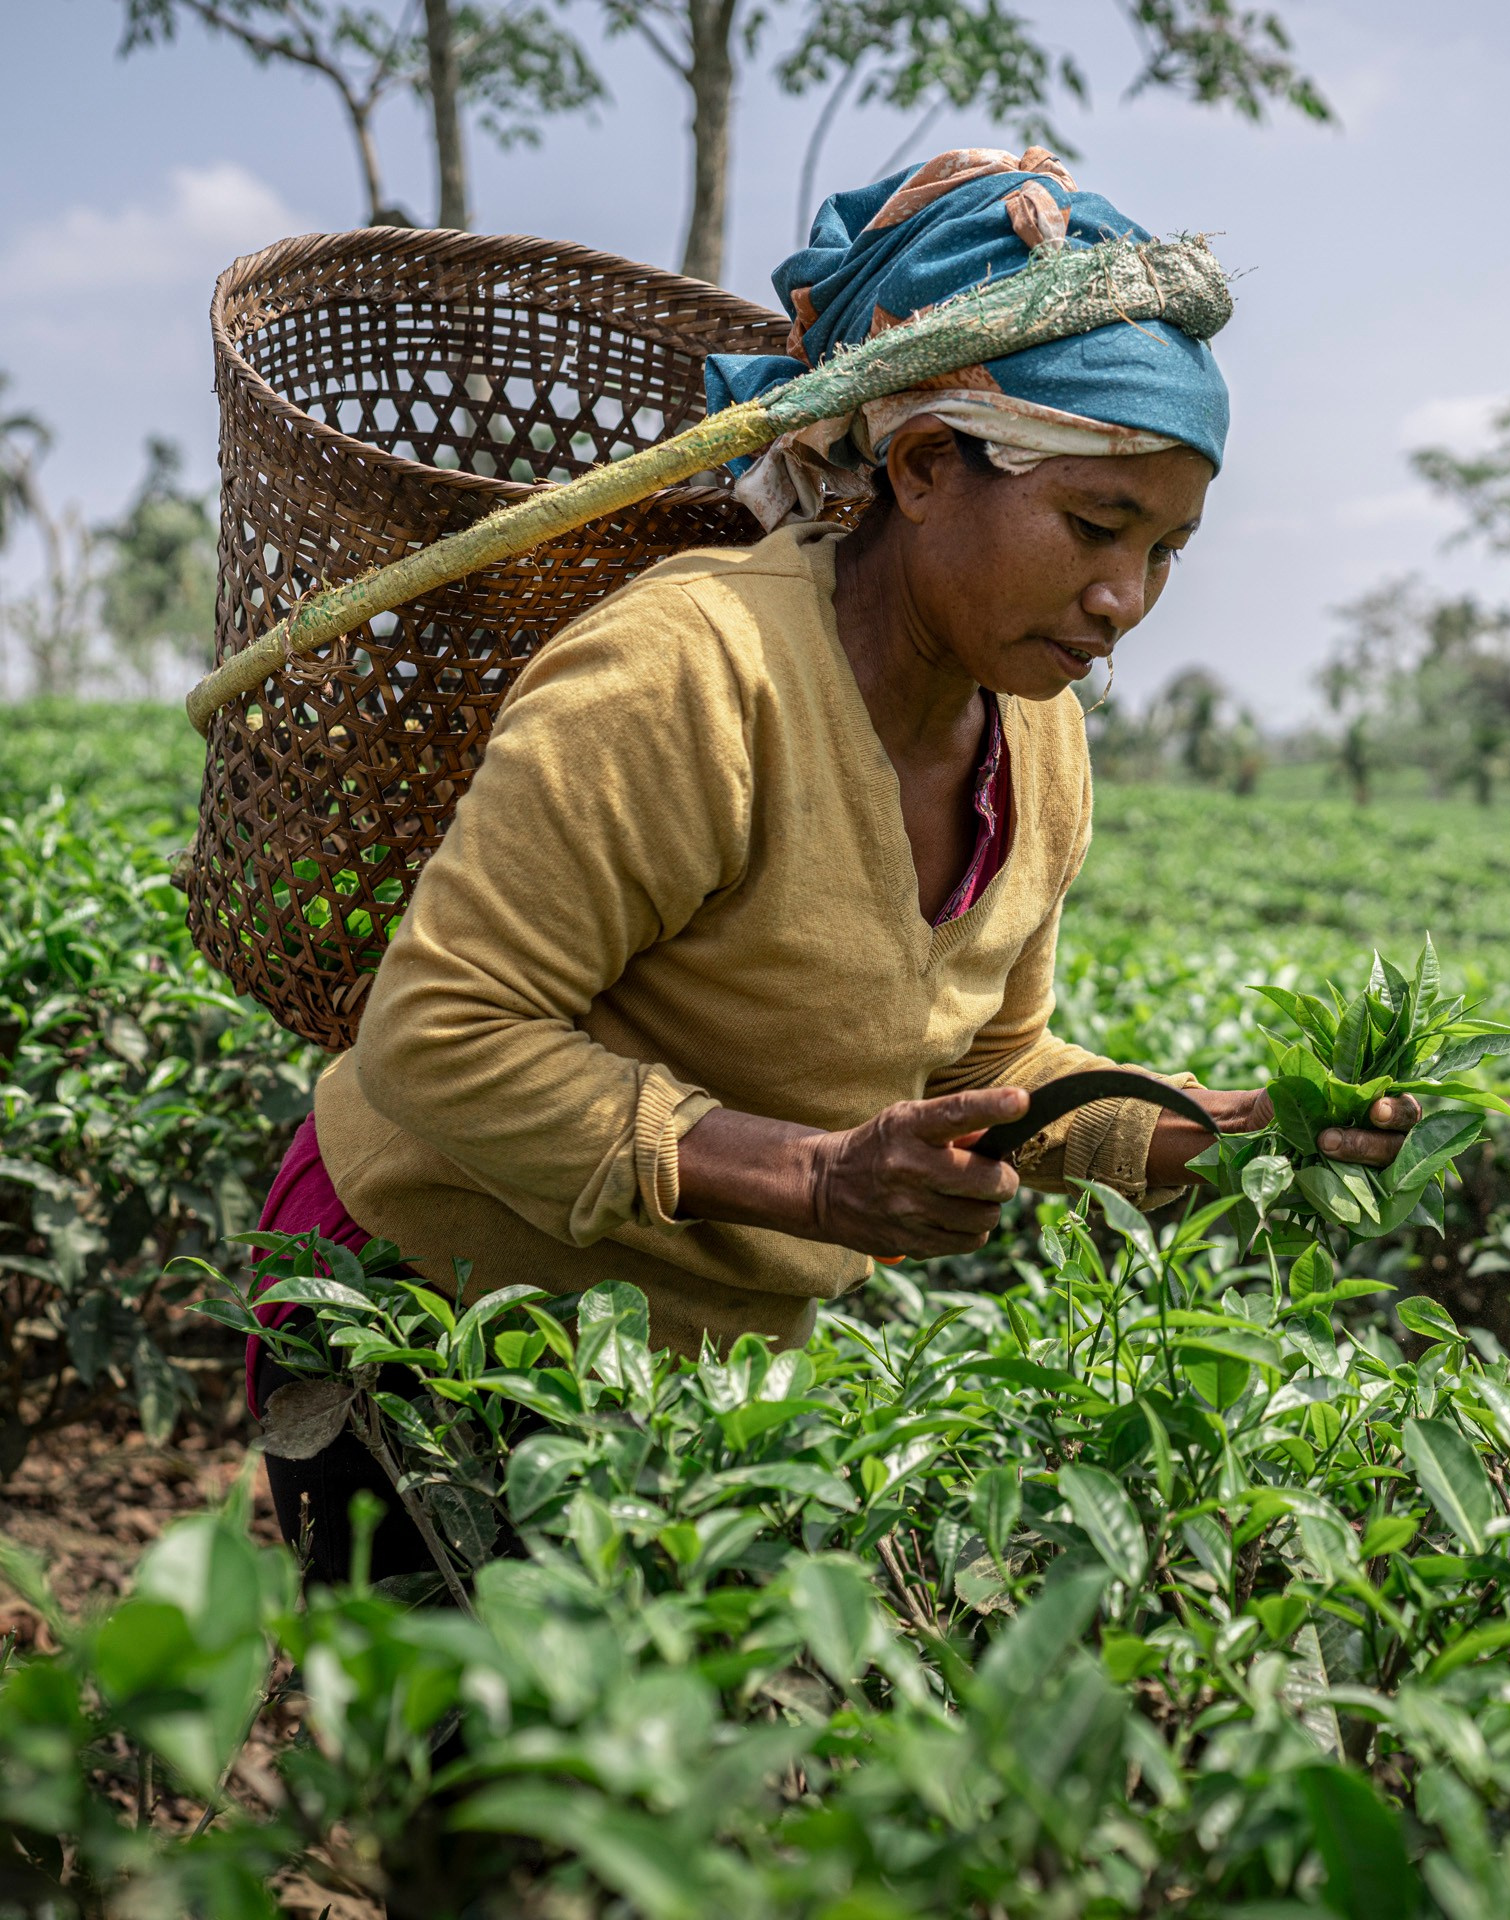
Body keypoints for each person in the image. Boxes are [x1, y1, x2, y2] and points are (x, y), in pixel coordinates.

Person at [249, 148, 1419, 1577]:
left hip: (691, 1373)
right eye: (1094, 526)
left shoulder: (1036, 735)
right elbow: (436, 1037)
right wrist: (808, 1180)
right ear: (925, 467)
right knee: (487, 1786)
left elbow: (985, 1058)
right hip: (430, 1308)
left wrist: (1184, 1129)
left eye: (1167, 548)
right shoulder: (688, 675)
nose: (1125, 598)